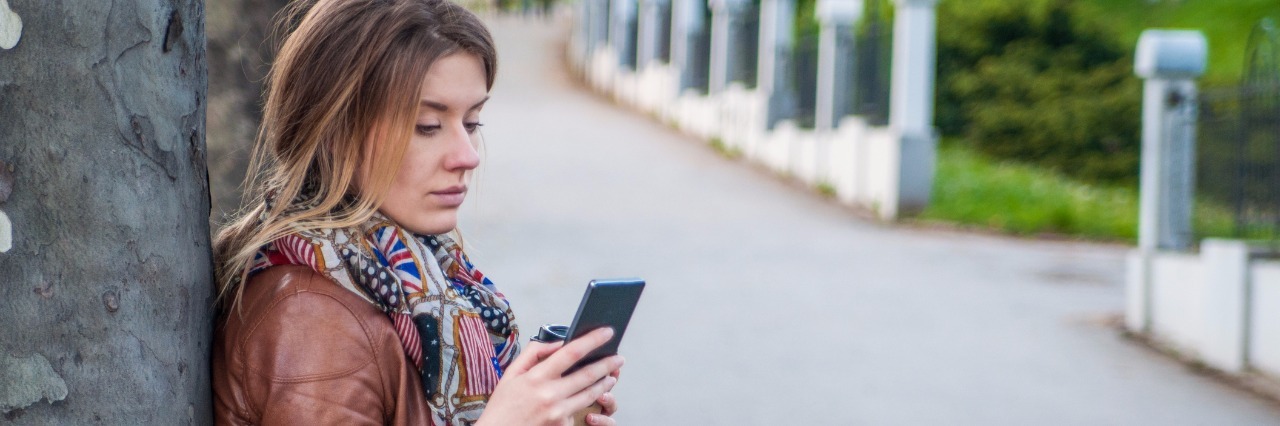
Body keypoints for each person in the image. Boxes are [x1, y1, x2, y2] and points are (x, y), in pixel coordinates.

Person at [209, 0, 623, 424]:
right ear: (335, 131)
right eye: (428, 125)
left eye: (473, 122)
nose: (467, 156)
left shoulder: (419, 275)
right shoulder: (310, 317)